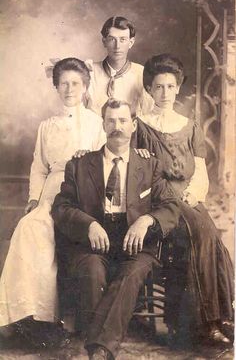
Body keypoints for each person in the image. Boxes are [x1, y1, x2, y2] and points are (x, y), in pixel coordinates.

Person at [51, 98, 181, 360]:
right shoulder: (79, 165)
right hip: (94, 240)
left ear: (133, 125)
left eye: (123, 121)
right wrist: (89, 224)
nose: (117, 127)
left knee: (130, 274)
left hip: (137, 242)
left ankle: (95, 347)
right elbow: (61, 207)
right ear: (103, 125)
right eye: (111, 121)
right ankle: (102, 347)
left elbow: (171, 207)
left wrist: (147, 221)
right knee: (91, 270)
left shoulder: (150, 165)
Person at [0, 58, 106, 345]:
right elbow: (39, 166)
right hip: (50, 191)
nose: (69, 89)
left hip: (82, 192)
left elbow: (106, 163)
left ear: (85, 87)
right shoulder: (47, 126)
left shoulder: (97, 123)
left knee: (57, 233)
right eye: (64, 83)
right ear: (56, 87)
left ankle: (52, 317)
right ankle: (29, 315)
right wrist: (34, 198)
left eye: (75, 83)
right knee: (30, 227)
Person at [131, 54, 234, 344]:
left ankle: (216, 319)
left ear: (178, 89)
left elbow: (200, 172)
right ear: (149, 90)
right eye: (158, 87)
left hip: (187, 199)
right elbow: (133, 175)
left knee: (210, 238)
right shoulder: (139, 127)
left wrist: (191, 195)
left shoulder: (189, 126)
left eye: (170, 86)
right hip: (157, 202)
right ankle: (202, 325)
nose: (164, 93)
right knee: (200, 234)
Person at [86, 16, 153, 116]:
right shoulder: (90, 72)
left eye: (123, 40)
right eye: (112, 39)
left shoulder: (142, 74)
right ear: (104, 42)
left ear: (131, 43)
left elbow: (148, 114)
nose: (117, 46)